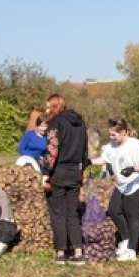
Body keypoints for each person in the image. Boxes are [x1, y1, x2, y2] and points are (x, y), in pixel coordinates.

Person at [90, 118, 139, 262]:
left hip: (137, 183)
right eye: (110, 134)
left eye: (114, 135)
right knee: (113, 210)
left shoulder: (134, 145)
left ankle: (131, 251)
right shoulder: (111, 145)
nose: (111, 138)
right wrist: (90, 162)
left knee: (132, 215)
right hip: (122, 184)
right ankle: (126, 239)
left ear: (123, 132)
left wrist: (133, 169)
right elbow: (105, 159)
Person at [40, 94, 87, 265]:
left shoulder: (55, 123)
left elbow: (52, 151)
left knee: (58, 213)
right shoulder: (81, 123)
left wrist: (45, 172)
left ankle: (61, 253)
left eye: (48, 107)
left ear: (54, 106)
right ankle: (78, 252)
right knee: (73, 213)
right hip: (75, 171)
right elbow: (85, 151)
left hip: (58, 172)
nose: (46, 110)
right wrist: (82, 170)